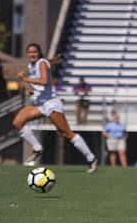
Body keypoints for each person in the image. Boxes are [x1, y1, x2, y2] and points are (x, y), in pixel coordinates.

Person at [13, 43, 98, 173]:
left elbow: (45, 81)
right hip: (40, 103)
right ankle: (37, 148)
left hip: (51, 103)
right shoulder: (33, 65)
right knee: (18, 121)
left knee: (66, 133)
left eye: (34, 52)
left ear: (39, 52)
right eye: (29, 52)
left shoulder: (41, 63)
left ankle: (91, 158)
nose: (32, 54)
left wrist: (25, 78)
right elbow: (42, 85)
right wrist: (33, 92)